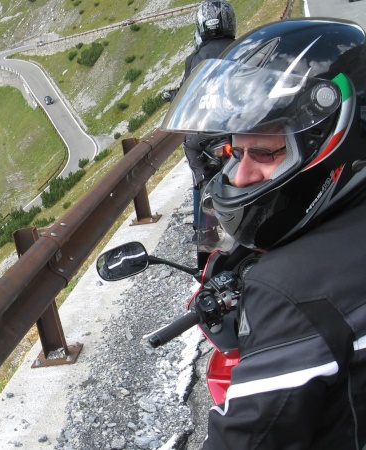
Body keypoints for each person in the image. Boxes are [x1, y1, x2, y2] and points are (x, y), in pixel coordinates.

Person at [162, 18, 366, 448]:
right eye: (235, 153)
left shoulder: (288, 295)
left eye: (267, 152)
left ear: (333, 141)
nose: (241, 176)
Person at [181, 1, 237, 269]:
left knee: (195, 161)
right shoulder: (242, 48)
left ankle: (201, 227)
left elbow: (184, 94)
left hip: (204, 133)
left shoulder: (194, 58)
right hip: (236, 125)